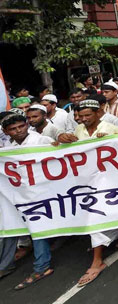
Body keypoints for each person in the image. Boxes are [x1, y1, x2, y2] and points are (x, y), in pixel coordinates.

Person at [67, 99, 118, 287]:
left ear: (97, 113)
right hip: (88, 182)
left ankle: (96, 260)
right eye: (80, 116)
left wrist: (109, 142)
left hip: (111, 180)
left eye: (87, 115)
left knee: (97, 217)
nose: (83, 119)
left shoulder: (111, 128)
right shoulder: (78, 131)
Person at [1, 113, 56, 290]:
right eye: (13, 129)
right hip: (21, 194)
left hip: (42, 192)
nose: (18, 131)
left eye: (21, 127)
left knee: (36, 228)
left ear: (26, 125)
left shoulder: (41, 140)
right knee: (10, 226)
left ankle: (42, 267)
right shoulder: (9, 146)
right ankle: (5, 265)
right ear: (6, 131)